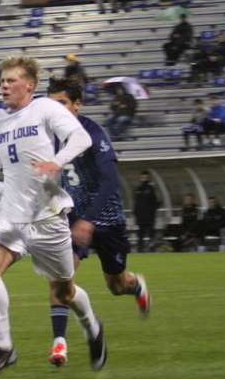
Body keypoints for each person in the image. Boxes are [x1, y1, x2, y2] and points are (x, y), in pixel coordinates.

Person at [0, 55, 103, 379]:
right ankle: (5, 348)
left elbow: (82, 138)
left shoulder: (46, 108)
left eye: (11, 80)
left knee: (64, 292)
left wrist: (55, 162)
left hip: (48, 219)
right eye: (2, 80)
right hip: (13, 218)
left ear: (29, 85)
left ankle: (92, 326)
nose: (4, 85)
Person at [47, 75, 152, 319]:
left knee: (116, 286)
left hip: (106, 219)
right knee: (61, 278)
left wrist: (89, 220)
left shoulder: (93, 133)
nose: (56, 110)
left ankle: (136, 286)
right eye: (52, 104)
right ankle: (60, 343)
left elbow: (111, 180)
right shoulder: (48, 136)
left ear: (77, 104)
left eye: (62, 103)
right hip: (72, 219)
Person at [133, 170, 160, 253]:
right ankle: (140, 248)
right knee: (140, 234)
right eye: (143, 177)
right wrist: (136, 213)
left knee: (151, 233)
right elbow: (135, 203)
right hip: (140, 217)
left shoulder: (152, 189)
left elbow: (158, 201)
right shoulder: (138, 190)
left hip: (149, 216)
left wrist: (151, 211)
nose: (144, 179)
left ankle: (152, 248)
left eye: (146, 178)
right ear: (140, 178)